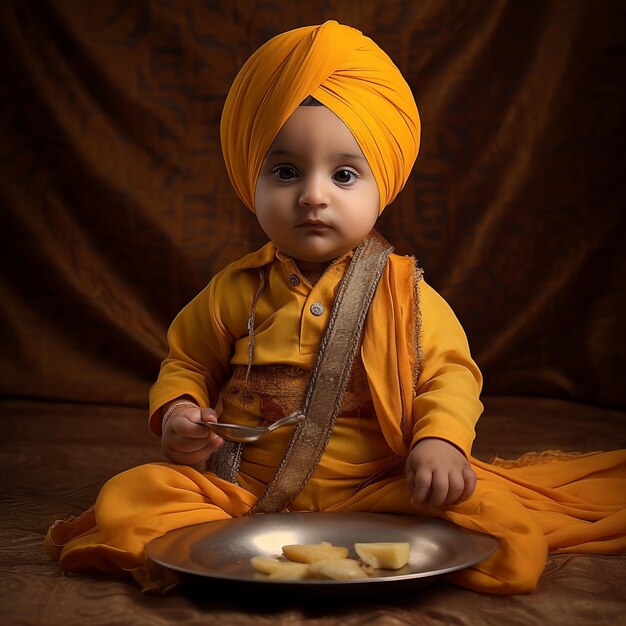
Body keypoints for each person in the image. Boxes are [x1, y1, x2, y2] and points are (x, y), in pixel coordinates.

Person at [46, 21, 626, 594]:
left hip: (378, 486)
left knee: (497, 519)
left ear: (384, 185)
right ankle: (212, 548)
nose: (313, 194)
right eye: (286, 171)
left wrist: (439, 443)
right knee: (132, 497)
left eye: (344, 174)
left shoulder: (407, 294)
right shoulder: (233, 289)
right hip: (243, 486)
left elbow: (450, 374)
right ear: (253, 179)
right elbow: (187, 363)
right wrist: (179, 413)